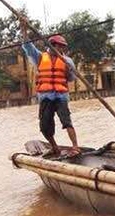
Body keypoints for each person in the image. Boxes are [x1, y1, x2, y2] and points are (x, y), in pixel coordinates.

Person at [20, 19, 80, 156]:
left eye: (63, 47)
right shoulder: (40, 57)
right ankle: (54, 146)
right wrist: (24, 30)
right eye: (59, 46)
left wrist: (67, 70)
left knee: (66, 121)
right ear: (51, 45)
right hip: (45, 96)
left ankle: (75, 147)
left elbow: (71, 78)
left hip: (61, 96)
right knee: (45, 126)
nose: (61, 49)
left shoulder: (67, 61)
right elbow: (28, 47)